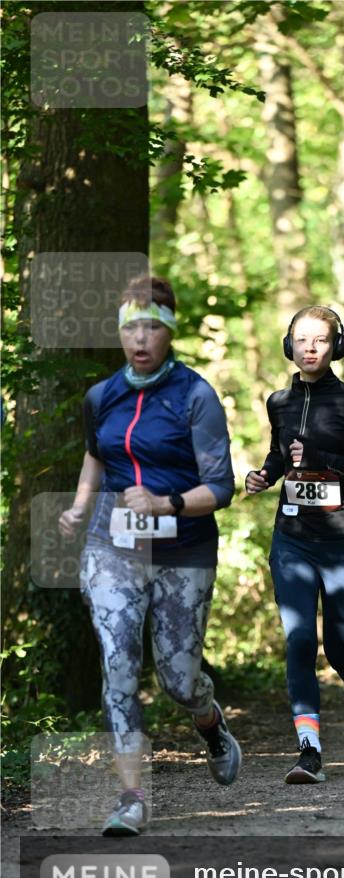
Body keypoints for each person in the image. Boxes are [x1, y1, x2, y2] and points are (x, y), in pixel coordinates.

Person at [58, 275, 241, 835]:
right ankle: (131, 796)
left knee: (178, 680)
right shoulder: (101, 396)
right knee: (117, 662)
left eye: (152, 327)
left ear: (169, 332)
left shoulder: (195, 395)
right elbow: (96, 454)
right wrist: (79, 506)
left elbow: (222, 488)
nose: (141, 338)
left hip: (183, 547)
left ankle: (210, 723)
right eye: (131, 327)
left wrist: (167, 500)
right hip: (112, 545)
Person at [245, 305, 344, 784]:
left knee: (339, 646)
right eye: (302, 339)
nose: (310, 348)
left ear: (336, 347)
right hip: (293, 541)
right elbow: (281, 454)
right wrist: (266, 474)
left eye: (320, 340)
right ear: (289, 345)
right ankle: (309, 750)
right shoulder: (278, 402)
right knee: (300, 641)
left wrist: (325, 457)